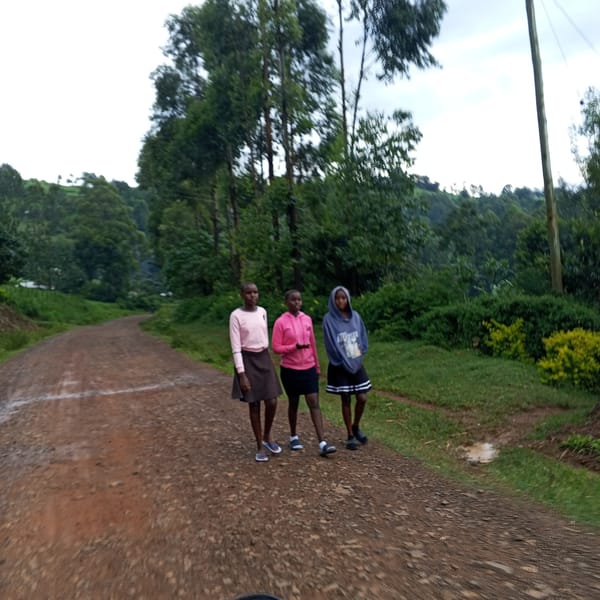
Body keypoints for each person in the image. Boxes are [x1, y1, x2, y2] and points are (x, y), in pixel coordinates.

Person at [272, 290, 336, 457]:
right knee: (294, 402)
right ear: (286, 302)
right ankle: (293, 436)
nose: (297, 303)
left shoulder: (306, 319)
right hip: (290, 368)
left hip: (308, 366)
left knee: (313, 401)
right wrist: (293, 347)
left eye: (299, 300)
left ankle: (322, 442)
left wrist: (317, 366)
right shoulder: (280, 322)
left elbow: (312, 342)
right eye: (293, 300)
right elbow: (276, 347)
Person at [229, 282, 283, 463]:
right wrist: (241, 373)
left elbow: (263, 336)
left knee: (272, 400)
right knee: (254, 404)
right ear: (242, 295)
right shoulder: (236, 316)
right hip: (247, 359)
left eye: (255, 292)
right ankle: (259, 445)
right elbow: (236, 347)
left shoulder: (262, 312)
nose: (252, 296)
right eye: (248, 292)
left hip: (263, 357)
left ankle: (267, 435)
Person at [322, 285, 371, 450]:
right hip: (339, 363)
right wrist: (341, 359)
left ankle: (356, 426)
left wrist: (360, 354)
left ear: (348, 299)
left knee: (362, 397)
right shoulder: (329, 319)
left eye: (343, 298)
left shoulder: (355, 316)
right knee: (345, 398)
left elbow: (362, 336)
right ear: (333, 300)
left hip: (356, 362)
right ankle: (349, 434)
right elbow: (330, 343)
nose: (340, 301)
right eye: (337, 298)